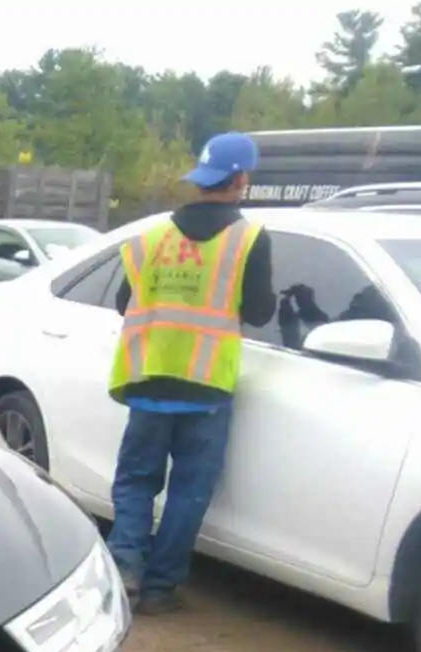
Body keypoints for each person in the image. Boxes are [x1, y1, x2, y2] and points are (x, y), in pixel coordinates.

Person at [107, 133, 275, 615]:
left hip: (148, 378)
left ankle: (125, 569)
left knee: (136, 480)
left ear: (200, 177)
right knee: (189, 490)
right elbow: (261, 312)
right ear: (241, 179)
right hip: (206, 388)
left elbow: (124, 302)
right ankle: (160, 588)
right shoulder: (248, 238)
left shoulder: (152, 238)